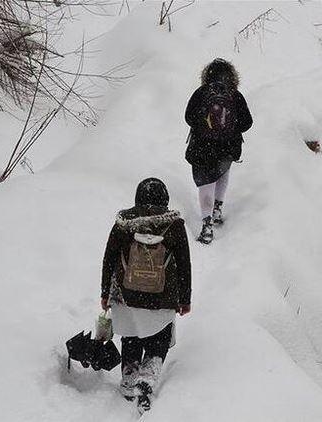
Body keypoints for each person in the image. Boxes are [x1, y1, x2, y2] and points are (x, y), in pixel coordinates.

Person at [101, 178, 192, 413]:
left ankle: (129, 376)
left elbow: (109, 258)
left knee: (131, 335)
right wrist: (185, 299)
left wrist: (105, 293)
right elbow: (184, 263)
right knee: (159, 337)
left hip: (126, 294)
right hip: (162, 296)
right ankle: (148, 375)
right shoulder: (174, 225)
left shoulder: (124, 223)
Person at [184, 58, 253, 244]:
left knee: (205, 183)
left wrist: (204, 126)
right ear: (232, 76)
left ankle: (207, 225)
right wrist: (230, 129)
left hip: (201, 148)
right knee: (222, 171)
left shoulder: (201, 93)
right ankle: (218, 209)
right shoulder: (235, 95)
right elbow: (247, 122)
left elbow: (188, 117)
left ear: (207, 75)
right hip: (227, 148)